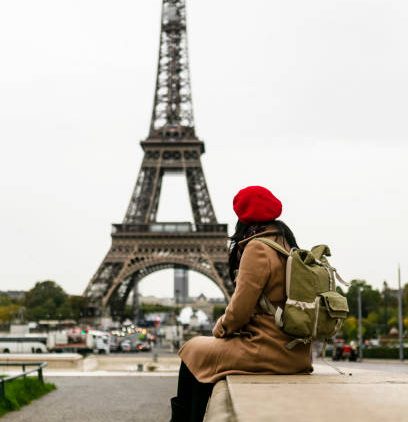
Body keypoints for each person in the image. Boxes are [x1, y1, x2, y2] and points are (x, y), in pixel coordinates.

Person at [170, 186, 313, 422]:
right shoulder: (287, 245)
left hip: (266, 350)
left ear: (242, 216)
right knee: (204, 356)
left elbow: (239, 310)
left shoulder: (257, 247)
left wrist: (220, 329)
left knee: (192, 349)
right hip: (295, 353)